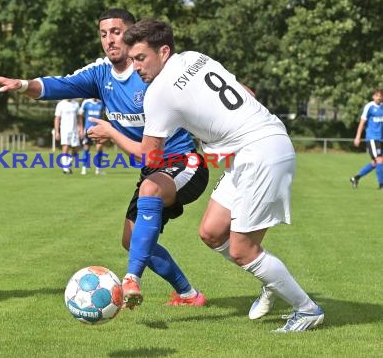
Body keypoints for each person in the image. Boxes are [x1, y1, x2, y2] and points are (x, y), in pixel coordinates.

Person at [0, 9, 209, 309]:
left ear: (132, 34)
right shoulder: (100, 75)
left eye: (116, 32)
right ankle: (189, 295)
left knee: (150, 193)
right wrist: (21, 84)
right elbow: (56, 86)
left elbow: (200, 94)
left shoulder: (157, 72)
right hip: (153, 169)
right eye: (103, 34)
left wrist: (112, 131)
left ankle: (131, 279)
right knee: (132, 240)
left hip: (185, 162)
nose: (109, 40)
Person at [123, 19, 324, 332]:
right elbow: (247, 92)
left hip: (259, 153)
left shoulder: (157, 92)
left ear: (163, 51)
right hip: (258, 147)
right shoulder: (196, 58)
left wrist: (110, 131)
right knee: (212, 232)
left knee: (243, 250)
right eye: (132, 59)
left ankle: (307, 309)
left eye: (140, 58)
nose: (135, 66)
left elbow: (150, 157)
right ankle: (270, 278)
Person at [349, 88, 383, 189]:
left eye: (380, 95)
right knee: (380, 160)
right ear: (373, 97)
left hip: (380, 138)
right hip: (372, 138)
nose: (379, 97)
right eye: (377, 95)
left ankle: (356, 178)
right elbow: (362, 122)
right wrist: (358, 137)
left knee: (375, 163)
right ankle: (381, 183)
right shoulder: (369, 107)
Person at [54, 98, 82, 174]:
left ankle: (68, 164)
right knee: (65, 147)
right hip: (64, 129)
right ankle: (65, 168)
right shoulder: (60, 104)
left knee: (76, 148)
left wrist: (81, 129)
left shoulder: (76, 104)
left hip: (75, 130)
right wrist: (57, 132)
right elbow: (57, 118)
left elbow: (79, 117)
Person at [78, 98, 105, 175]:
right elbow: (80, 115)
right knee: (86, 148)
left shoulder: (101, 103)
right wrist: (81, 128)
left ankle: (98, 168)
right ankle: (84, 168)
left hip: (98, 130)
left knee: (99, 147)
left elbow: (103, 116)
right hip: (88, 129)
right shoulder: (86, 103)